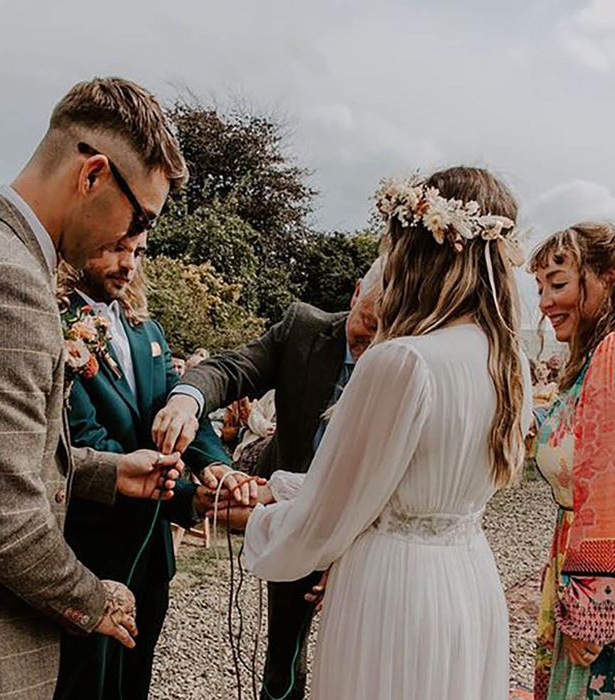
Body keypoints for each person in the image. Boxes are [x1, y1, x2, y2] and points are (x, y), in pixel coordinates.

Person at [0, 77, 186, 700]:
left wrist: (104, 471)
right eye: (140, 216)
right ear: (93, 176)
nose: (134, 240)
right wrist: (93, 597)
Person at [215, 166, 532, 699]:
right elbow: (391, 484)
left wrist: (249, 517)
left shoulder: (403, 360)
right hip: (467, 578)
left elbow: (329, 514)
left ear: (419, 249)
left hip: (394, 592)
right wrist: (279, 486)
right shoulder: (509, 363)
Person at [152, 257, 383, 699]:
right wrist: (186, 401)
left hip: (365, 533)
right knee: (284, 661)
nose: (369, 343)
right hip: (290, 520)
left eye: (383, 332)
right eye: (365, 324)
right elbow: (229, 369)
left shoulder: (408, 355)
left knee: (363, 663)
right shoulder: (303, 329)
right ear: (355, 295)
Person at [53, 234, 232, 699]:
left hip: (151, 552)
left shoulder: (146, 330)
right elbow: (82, 439)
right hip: (89, 547)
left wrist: (215, 468)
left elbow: (174, 406)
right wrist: (187, 497)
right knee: (83, 683)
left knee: (136, 679)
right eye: (115, 248)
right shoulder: (56, 321)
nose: (128, 264)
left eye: (137, 253)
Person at [529, 223, 615, 700]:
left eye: (559, 283)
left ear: (607, 277)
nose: (545, 302)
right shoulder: (603, 357)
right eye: (541, 287)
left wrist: (594, 607)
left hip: (614, 591)